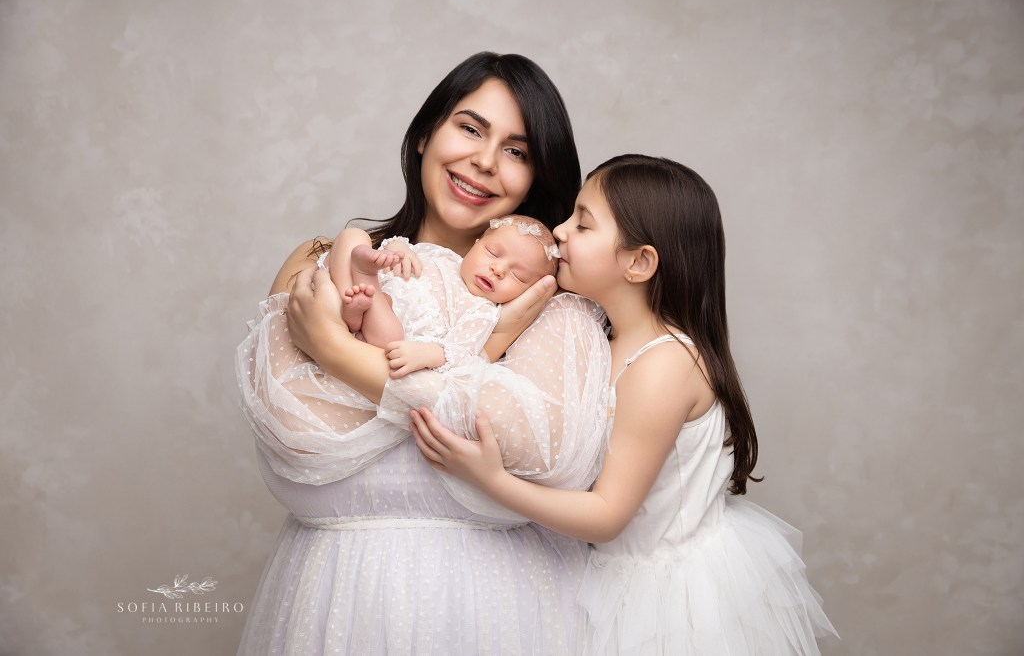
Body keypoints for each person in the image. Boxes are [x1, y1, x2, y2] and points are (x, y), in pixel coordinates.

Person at [236, 52, 611, 655]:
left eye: (517, 150)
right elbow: (293, 427)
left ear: (536, 177)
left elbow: (542, 448)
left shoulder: (555, 300)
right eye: (469, 128)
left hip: (505, 608)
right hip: (333, 597)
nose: (485, 162)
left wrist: (335, 352)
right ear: (421, 136)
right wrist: (474, 375)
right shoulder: (326, 258)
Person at [409, 154, 839, 655]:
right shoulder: (597, 335)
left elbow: (608, 513)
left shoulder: (665, 365)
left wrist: (492, 481)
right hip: (604, 574)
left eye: (583, 224)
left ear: (639, 262)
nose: (560, 232)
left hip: (666, 599)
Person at [320, 214, 560, 378]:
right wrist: (399, 250)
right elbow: (407, 251)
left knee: (390, 335)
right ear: (476, 244)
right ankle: (347, 301)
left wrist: (425, 354)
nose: (498, 270)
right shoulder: (445, 257)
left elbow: (461, 352)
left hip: (384, 329)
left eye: (517, 276)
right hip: (370, 292)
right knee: (354, 236)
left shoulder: (483, 311)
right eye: (492, 252)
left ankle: (362, 285)